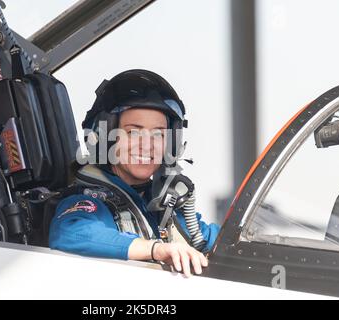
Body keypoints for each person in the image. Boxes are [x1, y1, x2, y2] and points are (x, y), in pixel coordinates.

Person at [49, 69, 220, 277]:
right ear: (104, 136)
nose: (147, 145)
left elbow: (220, 241)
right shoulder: (93, 201)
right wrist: (157, 249)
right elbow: (70, 232)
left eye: (158, 134)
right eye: (133, 132)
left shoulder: (163, 205)